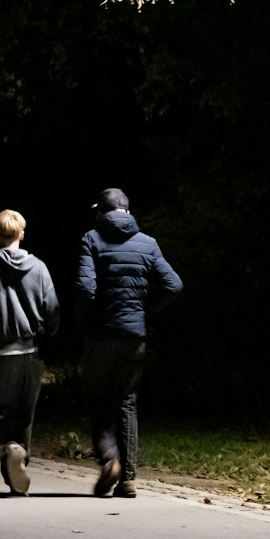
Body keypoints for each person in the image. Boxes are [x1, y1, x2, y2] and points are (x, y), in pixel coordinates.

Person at [76, 188, 182, 499]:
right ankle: (128, 480)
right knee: (127, 402)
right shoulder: (147, 244)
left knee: (97, 398)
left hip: (101, 335)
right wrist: (145, 310)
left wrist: (83, 319)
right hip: (135, 336)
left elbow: (85, 287)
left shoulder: (92, 239)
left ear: (102, 213)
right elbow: (174, 285)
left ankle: (110, 460)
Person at [0, 209, 60, 495]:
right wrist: (46, 332)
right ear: (21, 234)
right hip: (30, 351)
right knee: (24, 416)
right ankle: (20, 466)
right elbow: (52, 310)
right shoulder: (40, 267)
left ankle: (10, 450)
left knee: (0, 414)